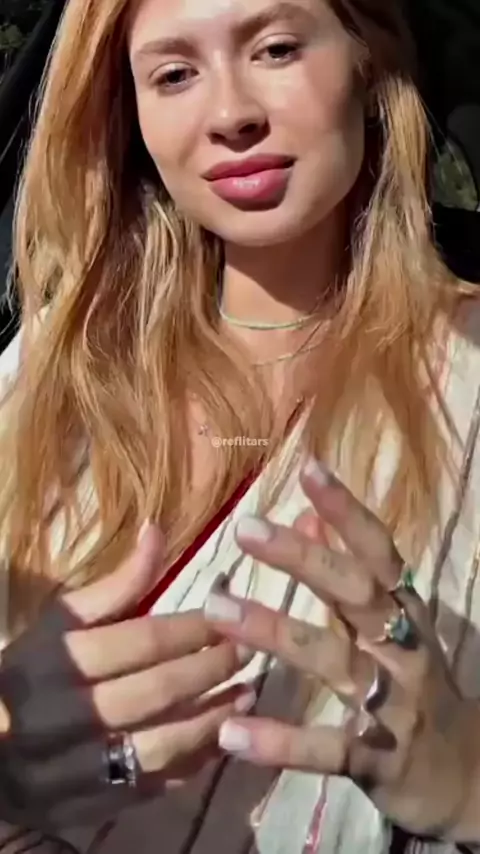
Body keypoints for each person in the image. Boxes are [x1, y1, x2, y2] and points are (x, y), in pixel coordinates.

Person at [0, 0, 480, 852]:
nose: (230, 114)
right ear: (130, 115)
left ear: (366, 59)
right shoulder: (49, 363)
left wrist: (469, 787)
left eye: (276, 48)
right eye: (174, 74)